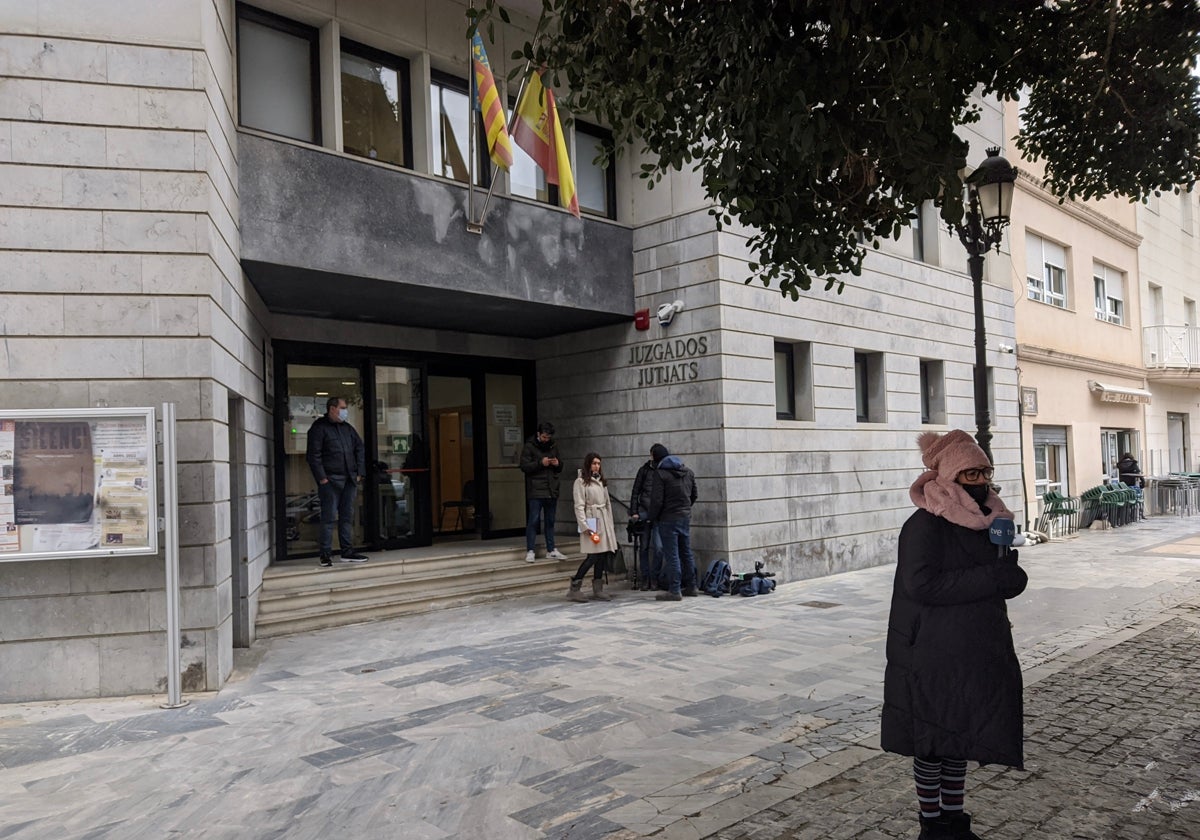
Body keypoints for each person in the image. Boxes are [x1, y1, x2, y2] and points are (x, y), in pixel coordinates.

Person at [882, 430, 1028, 840]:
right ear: (949, 477)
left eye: (985, 472)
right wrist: (991, 576)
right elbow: (922, 585)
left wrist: (1009, 575)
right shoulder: (924, 525)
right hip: (931, 651)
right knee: (933, 741)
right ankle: (933, 827)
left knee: (960, 735)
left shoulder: (990, 522)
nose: (981, 482)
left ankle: (955, 822)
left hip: (975, 649)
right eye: (970, 474)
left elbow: (996, 578)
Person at [306, 396, 368, 567]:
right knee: (328, 518)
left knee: (347, 516)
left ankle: (347, 551)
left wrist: (359, 473)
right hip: (330, 481)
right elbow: (313, 456)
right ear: (332, 409)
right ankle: (325, 554)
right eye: (343, 407)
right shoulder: (319, 428)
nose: (345, 410)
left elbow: (360, 449)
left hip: (349, 479)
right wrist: (322, 479)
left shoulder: (348, 429)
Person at [646, 444, 698, 602]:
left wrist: (652, 517)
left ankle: (675, 590)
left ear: (656, 457)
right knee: (686, 552)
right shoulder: (688, 472)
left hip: (668, 519)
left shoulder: (660, 474)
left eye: (651, 456)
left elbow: (656, 500)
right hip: (684, 517)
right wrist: (685, 508)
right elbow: (694, 495)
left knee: (672, 554)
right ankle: (692, 586)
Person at [567, 453, 619, 602]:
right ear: (588, 464)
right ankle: (575, 587)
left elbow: (608, 503)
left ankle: (598, 588)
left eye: (599, 463)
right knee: (593, 556)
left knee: (602, 554)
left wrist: (609, 523)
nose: (597, 466)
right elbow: (579, 506)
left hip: (602, 520)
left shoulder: (601, 481)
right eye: (594, 463)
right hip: (592, 521)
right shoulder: (581, 482)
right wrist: (585, 526)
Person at [520, 421, 567, 563]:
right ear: (539, 434)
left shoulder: (554, 445)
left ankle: (551, 549)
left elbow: (561, 466)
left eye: (548, 437)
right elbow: (524, 466)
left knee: (550, 520)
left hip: (551, 488)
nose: (546, 440)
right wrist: (541, 463)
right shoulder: (529, 446)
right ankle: (530, 550)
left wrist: (557, 463)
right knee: (533, 520)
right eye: (544, 437)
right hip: (536, 489)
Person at [629, 447, 665, 590]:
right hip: (643, 512)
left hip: (658, 515)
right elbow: (635, 491)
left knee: (659, 548)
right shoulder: (643, 470)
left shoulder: (664, 470)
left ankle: (654, 577)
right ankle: (645, 578)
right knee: (643, 547)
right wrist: (634, 511)